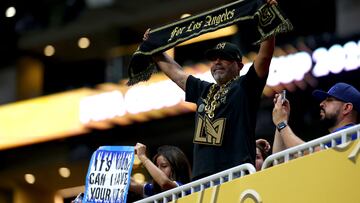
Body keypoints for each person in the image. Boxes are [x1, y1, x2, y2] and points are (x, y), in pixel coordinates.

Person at [144, 0, 277, 180]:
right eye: (214, 59)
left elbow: (265, 56)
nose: (217, 62)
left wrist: (268, 21)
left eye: (224, 58)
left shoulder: (246, 86)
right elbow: (177, 74)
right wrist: (154, 51)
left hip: (236, 175)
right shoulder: (203, 90)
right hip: (202, 180)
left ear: (239, 65)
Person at [272, 82, 360, 153]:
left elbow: (309, 156)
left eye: (329, 100)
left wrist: (282, 124)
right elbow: (279, 161)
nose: (321, 103)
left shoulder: (353, 134)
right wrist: (281, 122)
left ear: (347, 108)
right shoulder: (337, 137)